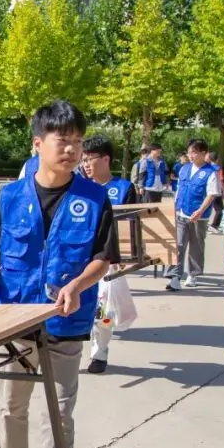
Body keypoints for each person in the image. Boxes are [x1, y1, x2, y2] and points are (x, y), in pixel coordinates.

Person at [0, 100, 120, 448]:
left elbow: (103, 258)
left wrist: (77, 285)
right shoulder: (9, 197)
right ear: (38, 144)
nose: (72, 150)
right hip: (15, 322)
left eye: (78, 142)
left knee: (60, 414)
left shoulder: (95, 199)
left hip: (65, 326)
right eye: (62, 141)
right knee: (12, 405)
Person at [81, 134, 137, 374]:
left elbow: (133, 226)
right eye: (83, 160)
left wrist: (125, 257)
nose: (86, 164)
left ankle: (99, 353)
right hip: (79, 257)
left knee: (103, 310)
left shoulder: (124, 188)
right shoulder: (79, 187)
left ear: (105, 159)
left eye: (90, 159)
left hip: (108, 260)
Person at [167, 139, 221, 291]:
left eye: (194, 152)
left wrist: (200, 211)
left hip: (199, 216)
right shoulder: (184, 168)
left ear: (204, 153)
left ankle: (193, 274)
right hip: (181, 212)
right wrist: (174, 206)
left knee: (196, 246)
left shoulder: (211, 172)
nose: (191, 155)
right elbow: (179, 189)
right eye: (189, 152)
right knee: (179, 244)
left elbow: (211, 194)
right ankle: (175, 276)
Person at [206, 150, 224, 234]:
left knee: (207, 207)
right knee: (220, 210)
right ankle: (214, 226)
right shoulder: (218, 168)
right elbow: (221, 181)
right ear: (217, 159)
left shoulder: (207, 167)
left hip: (208, 191)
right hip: (216, 191)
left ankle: (204, 223)